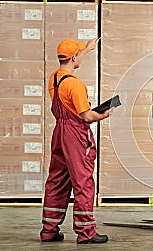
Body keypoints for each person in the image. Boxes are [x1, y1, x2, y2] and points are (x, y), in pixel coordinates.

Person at [40, 38, 112, 244]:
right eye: (79, 53)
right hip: (75, 135)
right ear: (73, 57)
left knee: (56, 181)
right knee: (83, 182)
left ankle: (49, 230)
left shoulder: (54, 79)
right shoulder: (75, 85)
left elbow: (73, 61)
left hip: (59, 133)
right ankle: (86, 232)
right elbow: (87, 116)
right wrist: (104, 114)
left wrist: (87, 48)